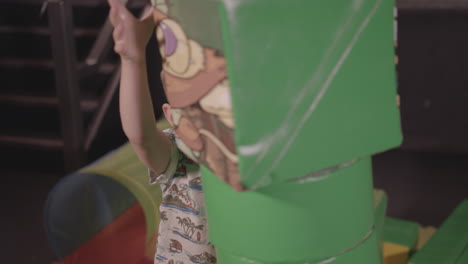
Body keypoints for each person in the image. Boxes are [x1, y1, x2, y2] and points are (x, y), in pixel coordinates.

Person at [107, 0, 217, 263]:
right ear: (170, 116)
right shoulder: (178, 156)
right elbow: (141, 136)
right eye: (189, 105)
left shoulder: (244, 153)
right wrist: (133, 59)